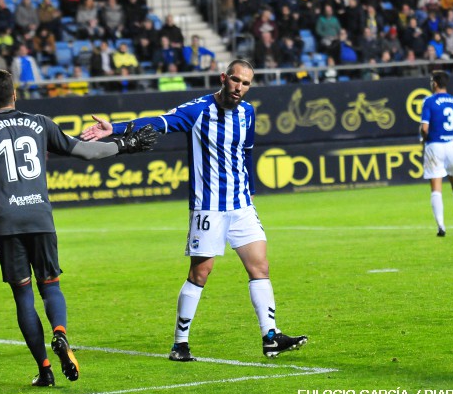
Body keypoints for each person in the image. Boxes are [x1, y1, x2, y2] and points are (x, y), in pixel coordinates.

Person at [80, 59, 308, 361]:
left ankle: (270, 337)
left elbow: (247, 152)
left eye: (246, 83)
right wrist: (116, 128)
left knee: (260, 268)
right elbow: (160, 122)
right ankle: (180, 344)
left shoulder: (247, 113)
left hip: (241, 205)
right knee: (200, 273)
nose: (239, 87)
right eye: (236, 80)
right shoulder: (198, 110)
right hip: (208, 208)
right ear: (224, 78)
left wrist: (250, 190)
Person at [0, 70, 158, 387]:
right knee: (51, 286)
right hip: (39, 217)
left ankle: (45, 369)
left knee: (23, 295)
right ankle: (60, 333)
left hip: (5, 222)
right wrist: (125, 144)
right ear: (15, 94)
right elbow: (86, 151)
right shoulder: (40, 123)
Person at [419, 71, 453, 237]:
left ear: (434, 83)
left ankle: (441, 226)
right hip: (451, 146)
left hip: (435, 146)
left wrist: (424, 138)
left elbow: (424, 128)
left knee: (436, 188)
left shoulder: (429, 101)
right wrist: (446, 134)